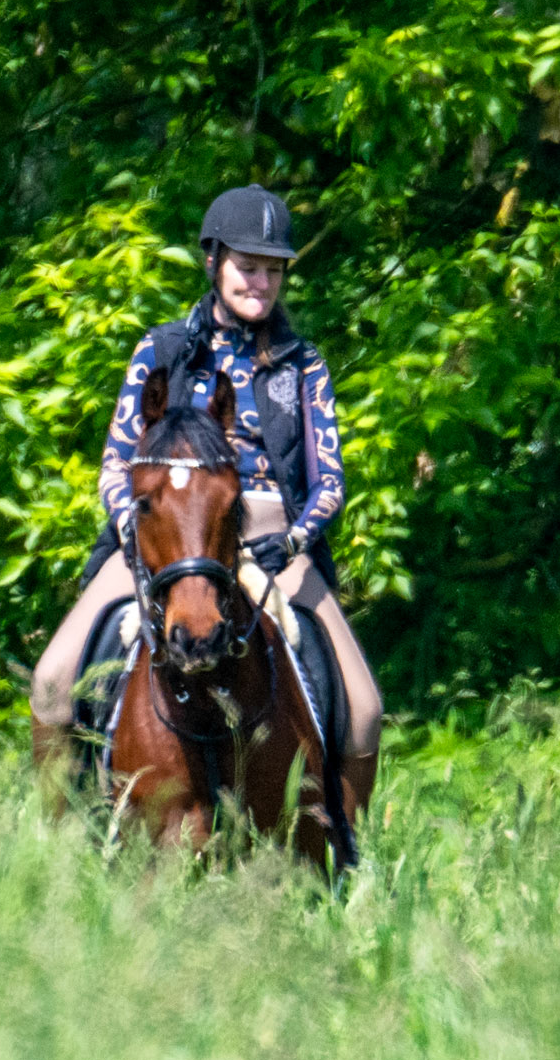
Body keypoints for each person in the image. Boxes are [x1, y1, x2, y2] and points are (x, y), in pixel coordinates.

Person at [31, 183, 383, 813]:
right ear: (213, 261)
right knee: (53, 682)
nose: (262, 283)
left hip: (274, 542)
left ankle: (344, 858)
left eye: (273, 271)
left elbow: (330, 482)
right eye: (248, 267)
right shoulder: (159, 350)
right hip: (164, 537)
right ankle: (61, 846)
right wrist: (136, 531)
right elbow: (116, 463)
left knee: (365, 711)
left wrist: (294, 541)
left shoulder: (304, 366)